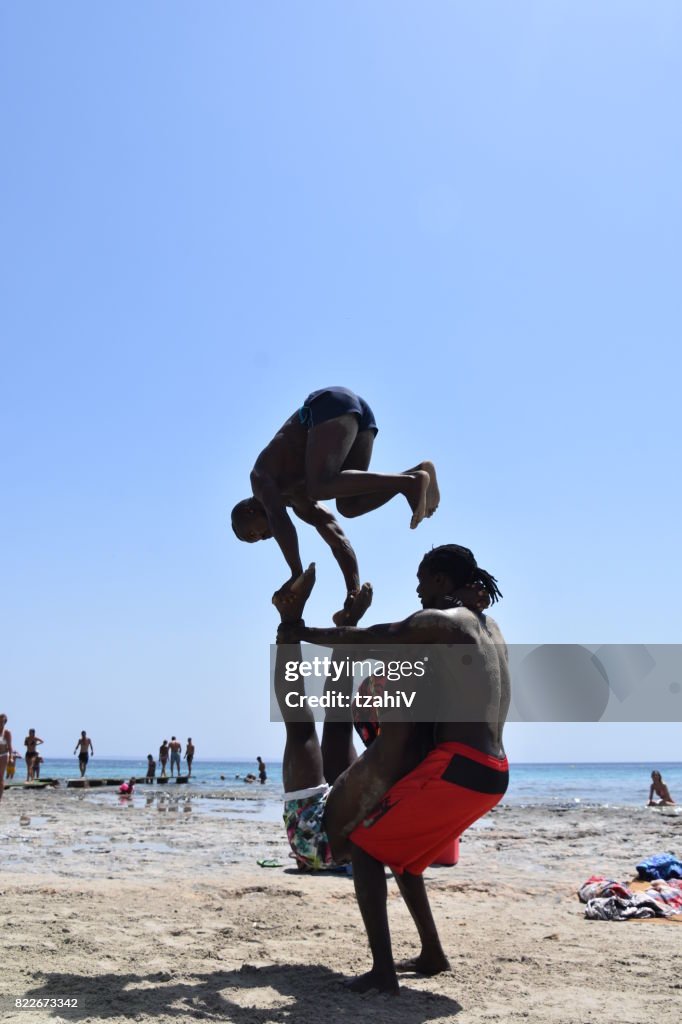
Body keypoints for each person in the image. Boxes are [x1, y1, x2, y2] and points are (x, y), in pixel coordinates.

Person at [277, 545, 509, 994]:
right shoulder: (488, 629)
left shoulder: (442, 623)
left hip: (320, 834)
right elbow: (346, 707)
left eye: (423, 580)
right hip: (493, 771)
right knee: (402, 856)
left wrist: (294, 628)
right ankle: (432, 954)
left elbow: (376, 639)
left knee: (367, 845)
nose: (418, 590)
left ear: (441, 581)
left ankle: (383, 972)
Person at [231, 386, 440, 624]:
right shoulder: (300, 504)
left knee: (319, 486)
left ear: (249, 510)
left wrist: (296, 573)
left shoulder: (260, 478)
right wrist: (353, 590)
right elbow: (339, 542)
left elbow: (279, 519)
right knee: (350, 507)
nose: (262, 538)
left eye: (252, 534)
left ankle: (410, 483)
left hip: (329, 406)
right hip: (360, 420)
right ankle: (415, 474)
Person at [0, 713, 12, 801]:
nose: (0, 722)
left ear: (5, 722)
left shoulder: (7, 733)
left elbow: (10, 746)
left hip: (3, 755)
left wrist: (11, 757)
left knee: (0, 777)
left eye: (2, 721)